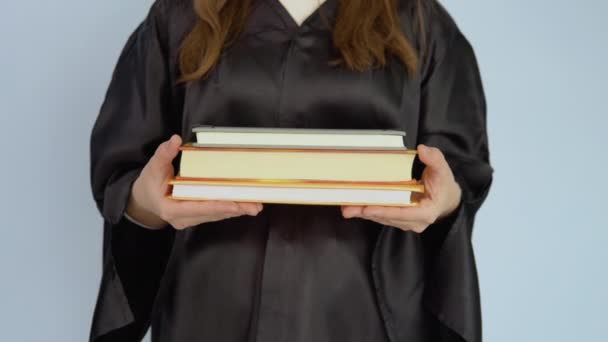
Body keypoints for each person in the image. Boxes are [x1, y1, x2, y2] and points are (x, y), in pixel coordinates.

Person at [89, 0, 493, 341]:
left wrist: (442, 202)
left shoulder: (419, 22)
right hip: (209, 310)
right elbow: (125, 171)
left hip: (362, 316)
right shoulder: (183, 14)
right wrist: (144, 202)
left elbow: (460, 174)